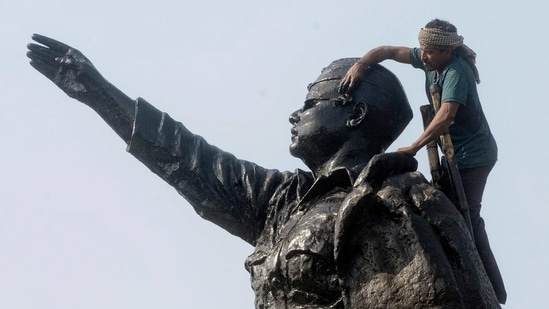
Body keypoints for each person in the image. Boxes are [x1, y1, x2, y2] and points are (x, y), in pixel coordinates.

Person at [27, 34, 501, 308]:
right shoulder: (285, 200)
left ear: (354, 114)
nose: (295, 115)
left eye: (309, 104)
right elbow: (191, 160)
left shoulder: (394, 202)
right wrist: (96, 91)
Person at [339, 18, 506, 304]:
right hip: (452, 150)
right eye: (421, 50)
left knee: (466, 216)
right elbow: (388, 51)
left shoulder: (456, 72)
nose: (422, 55)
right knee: (450, 206)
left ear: (446, 52)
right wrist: (363, 63)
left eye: (428, 52)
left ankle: (493, 288)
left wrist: (415, 146)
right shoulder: (430, 61)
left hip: (474, 157)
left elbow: (446, 115)